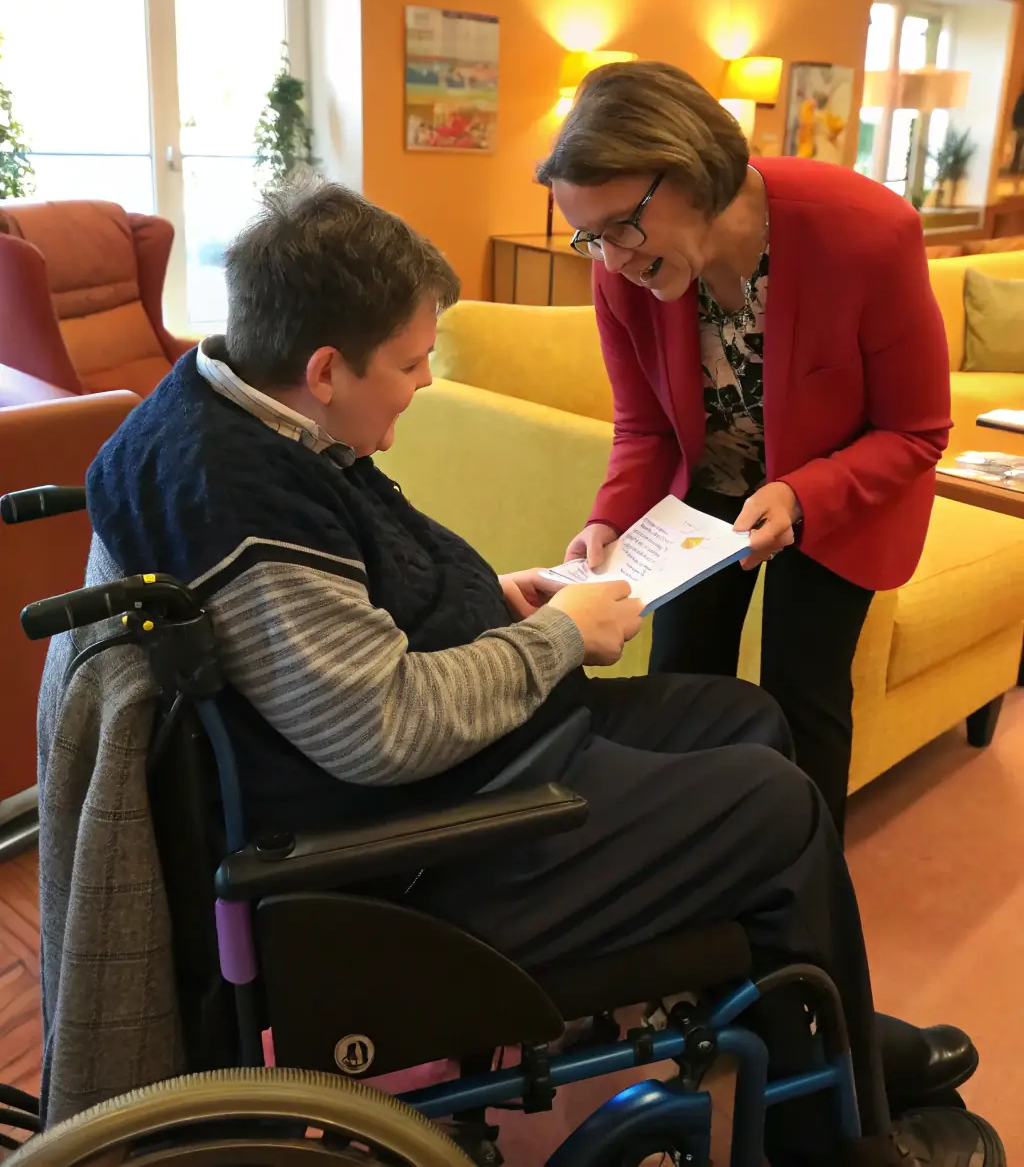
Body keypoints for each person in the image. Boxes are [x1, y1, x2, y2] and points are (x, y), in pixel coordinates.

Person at [67, 178, 1000, 1166]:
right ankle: (834, 1134)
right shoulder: (237, 495)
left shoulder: (243, 410)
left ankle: (810, 1028)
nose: (426, 382)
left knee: (745, 716)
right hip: (425, 852)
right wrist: (559, 638)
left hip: (463, 766)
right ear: (327, 368)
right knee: (778, 805)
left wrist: (492, 601)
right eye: (413, 362)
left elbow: (343, 627)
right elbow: (377, 727)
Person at [537, 60, 951, 841]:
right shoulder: (625, 269)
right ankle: (690, 856)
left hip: (837, 495)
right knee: (680, 677)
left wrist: (802, 494)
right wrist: (609, 521)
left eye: (621, 227)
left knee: (803, 692)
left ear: (692, 174)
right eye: (589, 237)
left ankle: (805, 883)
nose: (611, 260)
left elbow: (917, 429)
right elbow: (645, 427)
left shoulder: (867, 233)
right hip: (711, 490)